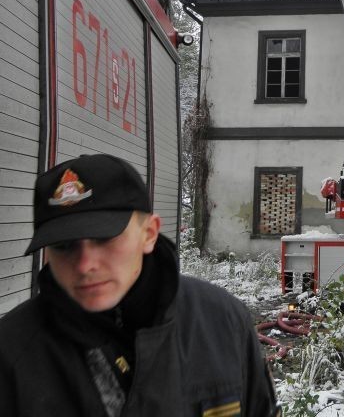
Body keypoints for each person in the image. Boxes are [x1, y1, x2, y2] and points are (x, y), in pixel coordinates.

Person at [0, 154, 280, 416]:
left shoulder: (223, 321)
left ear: (149, 233)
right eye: (63, 246)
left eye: (104, 239)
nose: (85, 265)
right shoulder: (12, 353)